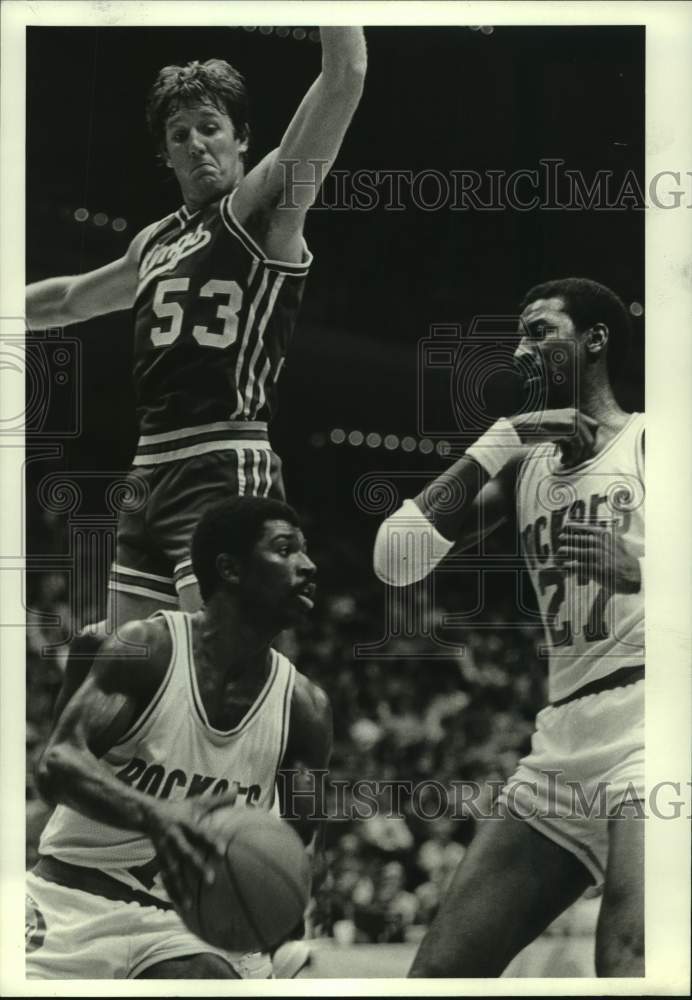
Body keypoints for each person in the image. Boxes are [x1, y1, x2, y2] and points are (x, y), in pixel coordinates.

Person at [26, 27, 366, 635]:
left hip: (223, 458)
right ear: (166, 154)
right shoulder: (153, 243)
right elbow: (68, 300)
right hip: (149, 468)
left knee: (223, 668)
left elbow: (345, 78)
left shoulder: (260, 214)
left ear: (241, 139)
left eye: (210, 127)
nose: (196, 145)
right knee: (130, 673)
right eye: (179, 135)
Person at [373, 278, 645, 977]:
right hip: (564, 739)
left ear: (595, 340)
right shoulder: (523, 464)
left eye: (539, 331)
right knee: (439, 974)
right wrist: (505, 437)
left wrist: (648, 567)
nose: (520, 348)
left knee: (629, 956)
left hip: (658, 720)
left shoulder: (655, 441)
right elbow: (396, 559)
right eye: (517, 333)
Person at [26, 495, 332, 980]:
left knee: (202, 973)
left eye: (305, 550)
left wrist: (275, 918)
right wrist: (157, 816)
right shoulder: (148, 649)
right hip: (72, 903)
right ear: (229, 569)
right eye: (285, 549)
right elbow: (57, 764)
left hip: (192, 929)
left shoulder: (305, 708)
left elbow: (302, 845)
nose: (308, 565)